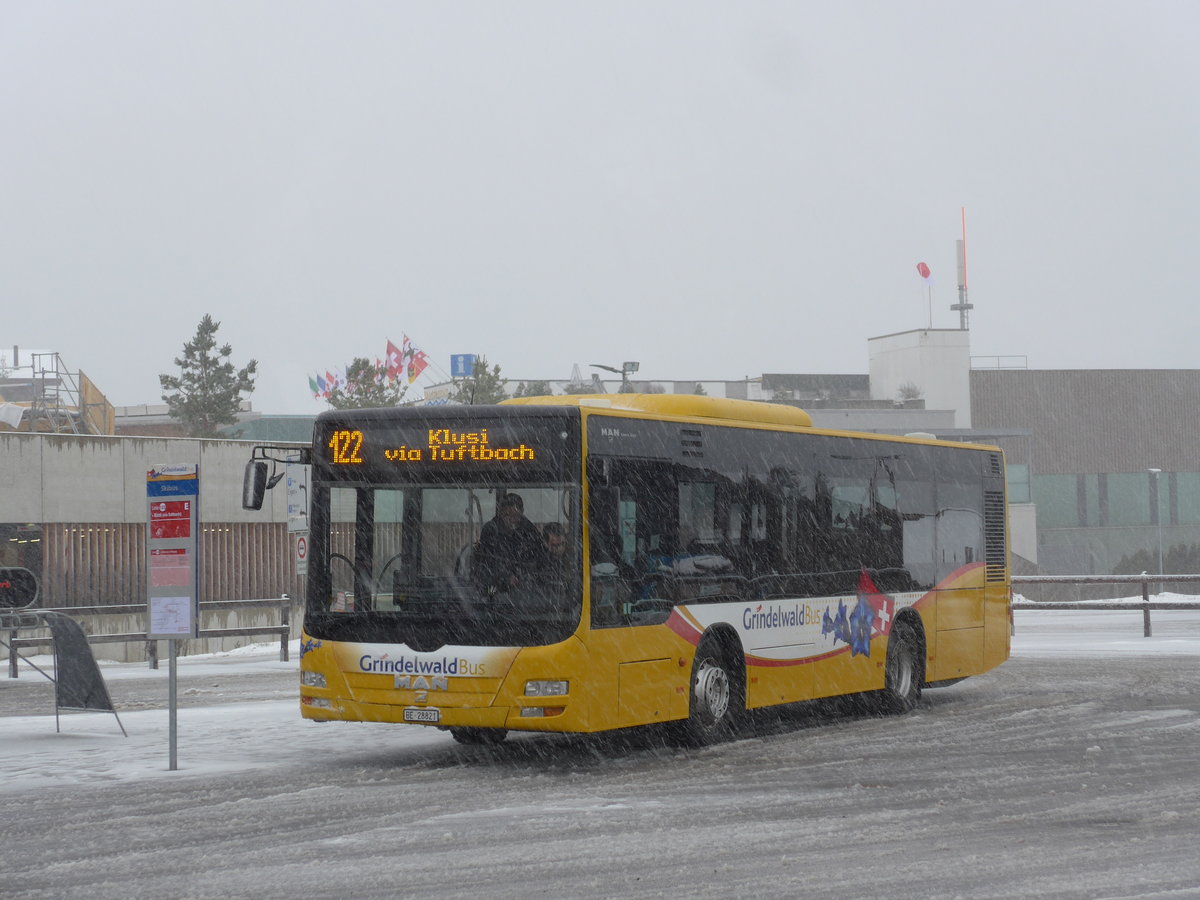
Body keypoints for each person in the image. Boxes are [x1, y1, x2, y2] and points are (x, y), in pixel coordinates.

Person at [474, 492, 543, 592]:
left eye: (515, 515)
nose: (511, 520)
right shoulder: (490, 530)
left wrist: (521, 576)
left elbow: (537, 558)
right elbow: (486, 562)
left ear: (521, 512)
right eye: (507, 515)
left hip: (524, 591)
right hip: (494, 588)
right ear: (500, 513)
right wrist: (505, 577)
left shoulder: (529, 531)